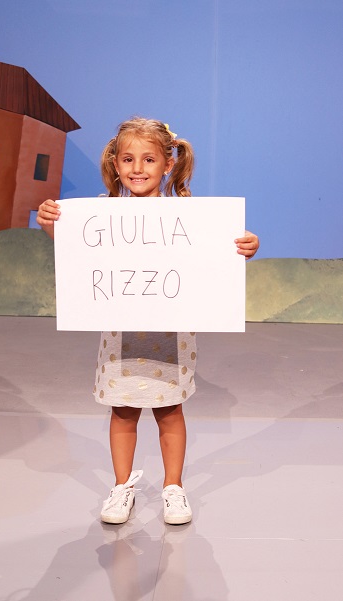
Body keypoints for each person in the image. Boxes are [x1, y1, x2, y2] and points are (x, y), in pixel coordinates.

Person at [37, 117, 259, 526]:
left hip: (170, 336)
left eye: (149, 159)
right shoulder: (100, 215)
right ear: (115, 163)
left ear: (168, 164)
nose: (137, 168)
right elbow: (77, 253)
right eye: (128, 159)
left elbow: (217, 252)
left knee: (170, 410)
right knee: (122, 411)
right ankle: (122, 486)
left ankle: (173, 487)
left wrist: (247, 245)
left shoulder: (188, 217)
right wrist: (52, 224)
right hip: (120, 336)